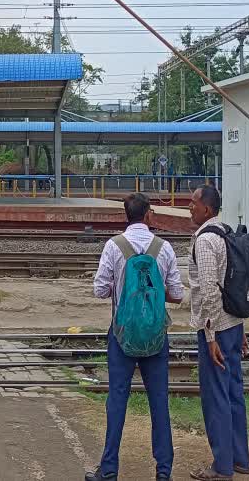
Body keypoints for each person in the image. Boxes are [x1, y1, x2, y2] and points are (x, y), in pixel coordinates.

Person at [86, 193, 184, 481]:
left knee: (116, 401)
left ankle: (109, 470)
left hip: (122, 335)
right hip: (155, 337)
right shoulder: (163, 248)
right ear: (149, 215)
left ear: (125, 216)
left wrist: (123, 287)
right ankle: (164, 472)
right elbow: (177, 295)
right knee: (159, 402)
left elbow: (99, 290)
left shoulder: (113, 246)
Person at [188, 184, 249, 480]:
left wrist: (210, 336)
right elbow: (236, 284)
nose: (190, 207)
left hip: (216, 329)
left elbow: (211, 290)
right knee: (235, 393)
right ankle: (240, 460)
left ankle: (222, 466)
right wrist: (241, 327)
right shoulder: (226, 233)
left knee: (216, 396)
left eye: (194, 203)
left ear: (207, 209)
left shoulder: (204, 240)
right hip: (233, 325)